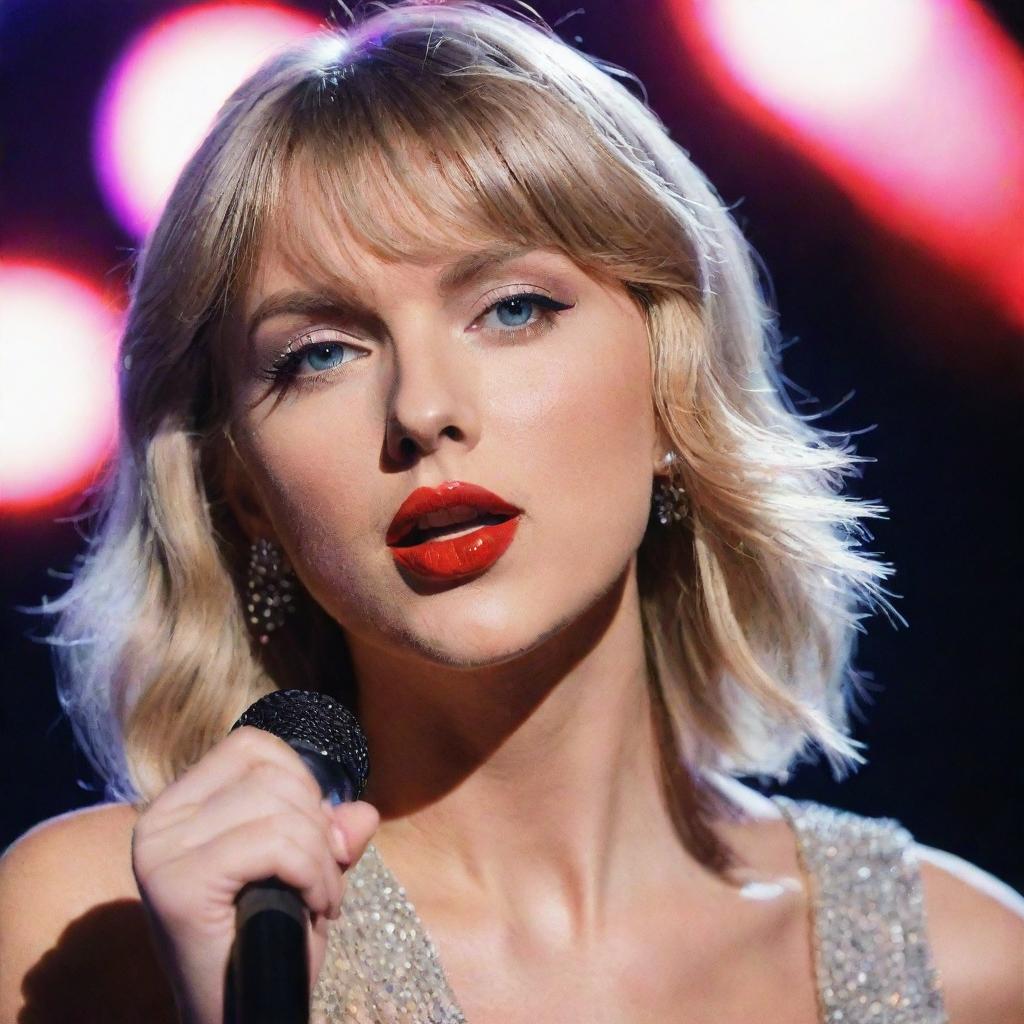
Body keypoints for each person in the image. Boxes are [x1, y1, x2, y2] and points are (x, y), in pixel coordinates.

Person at [1, 2, 1021, 1022]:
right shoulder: (98, 933)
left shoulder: (970, 967)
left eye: (511, 309)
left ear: (674, 384)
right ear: (242, 491)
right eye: (320, 353)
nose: (422, 411)